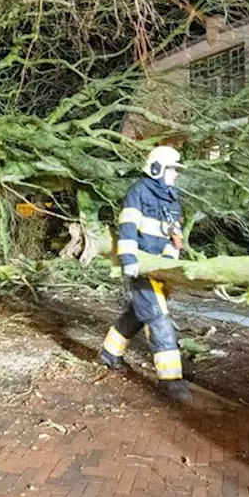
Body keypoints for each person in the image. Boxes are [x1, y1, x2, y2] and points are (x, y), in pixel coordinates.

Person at [98, 145, 191, 404]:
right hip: (140, 265)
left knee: (139, 312)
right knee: (158, 318)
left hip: (159, 268)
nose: (176, 175)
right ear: (157, 168)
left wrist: (169, 265)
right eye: (173, 170)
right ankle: (171, 380)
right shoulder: (138, 192)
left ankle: (109, 353)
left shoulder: (172, 198)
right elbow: (127, 227)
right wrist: (129, 260)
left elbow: (175, 235)